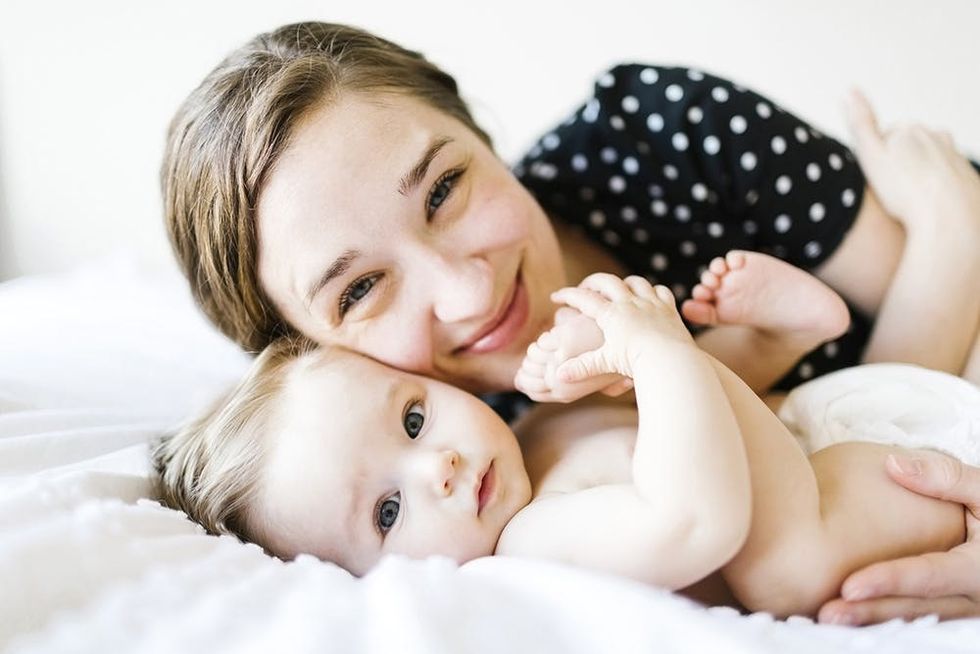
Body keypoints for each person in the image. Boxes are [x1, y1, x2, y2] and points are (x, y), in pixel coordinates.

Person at [161, 21, 980, 622]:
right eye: (360, 289)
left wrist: (954, 222)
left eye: (444, 189)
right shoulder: (471, 473)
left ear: (480, 134)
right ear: (311, 354)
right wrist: (950, 234)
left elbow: (898, 385)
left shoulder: (655, 139)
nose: (468, 293)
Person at [154, 252, 975, 619]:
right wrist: (653, 350)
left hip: (827, 433)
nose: (436, 467)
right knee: (785, 570)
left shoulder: (535, 428)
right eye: (388, 514)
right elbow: (697, 518)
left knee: (686, 407)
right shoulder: (529, 542)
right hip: (838, 516)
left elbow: (717, 419)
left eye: (412, 419)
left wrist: (727, 356)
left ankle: (785, 337)